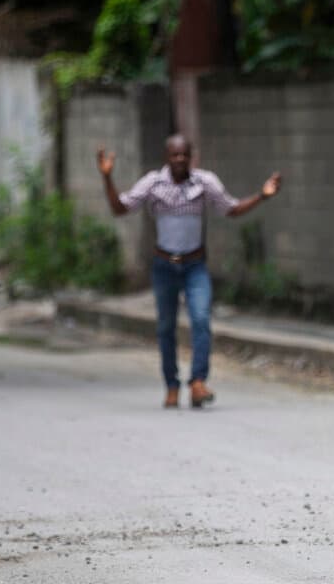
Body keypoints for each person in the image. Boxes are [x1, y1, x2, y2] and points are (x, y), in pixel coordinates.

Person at [97, 134, 282, 409]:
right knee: (166, 327)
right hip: (164, 267)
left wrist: (262, 196)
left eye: (184, 154)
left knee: (201, 319)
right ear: (167, 157)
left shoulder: (204, 182)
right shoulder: (153, 184)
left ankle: (197, 382)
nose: (180, 159)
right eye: (175, 155)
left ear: (191, 157)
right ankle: (171, 385)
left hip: (194, 266)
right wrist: (107, 178)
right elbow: (120, 208)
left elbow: (231, 209)